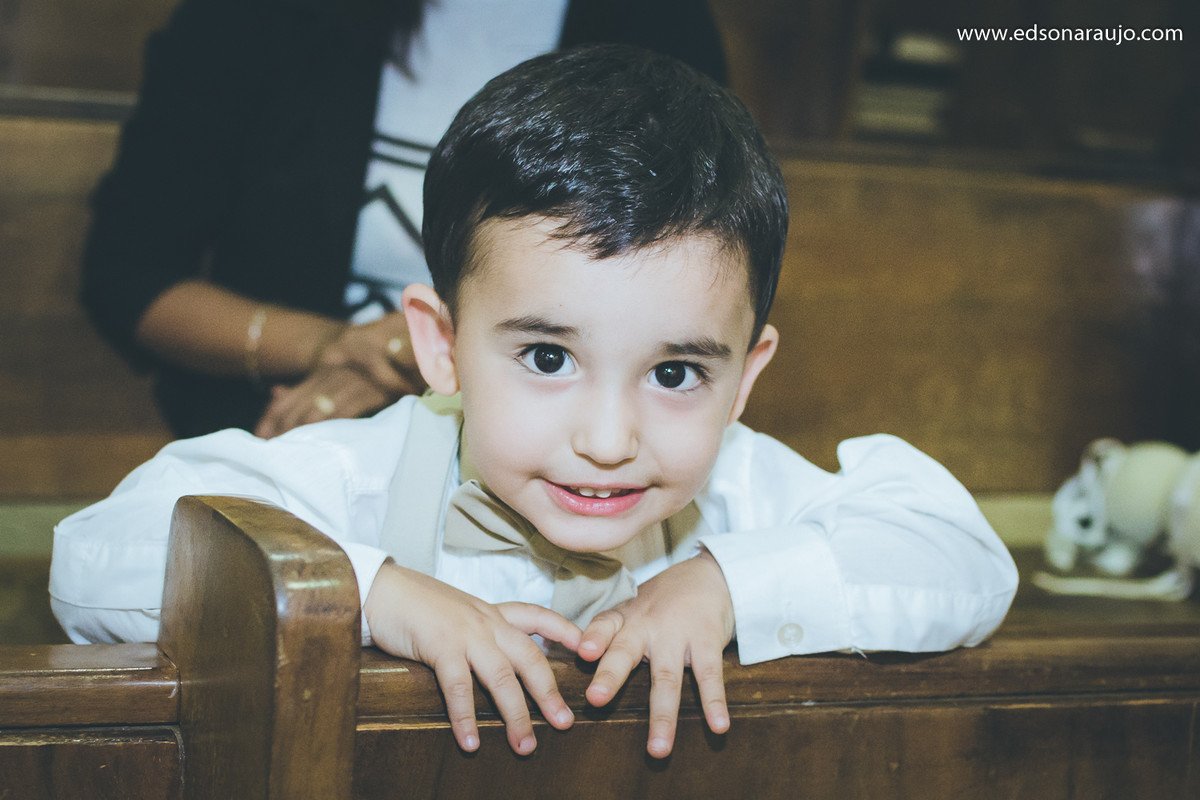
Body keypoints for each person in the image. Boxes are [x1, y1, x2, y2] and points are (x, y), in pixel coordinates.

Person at [53, 45, 1019, 760]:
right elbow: (100, 552)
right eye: (549, 357)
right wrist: (379, 595)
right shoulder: (362, 468)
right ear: (442, 345)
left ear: (745, 379)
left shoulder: (743, 487)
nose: (608, 441)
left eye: (676, 374)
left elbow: (965, 557)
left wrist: (724, 585)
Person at [79, 0, 727, 439]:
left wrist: (432, 357)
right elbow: (129, 273)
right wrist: (334, 348)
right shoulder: (260, 19)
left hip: (552, 443)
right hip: (285, 430)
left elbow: (684, 278)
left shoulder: (659, 28)